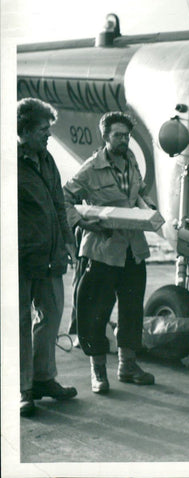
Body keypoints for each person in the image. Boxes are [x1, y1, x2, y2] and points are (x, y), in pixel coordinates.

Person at [63, 111, 156, 394]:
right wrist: (80, 221)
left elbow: (137, 192)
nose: (124, 140)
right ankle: (98, 371)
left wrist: (148, 207)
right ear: (105, 137)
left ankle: (127, 366)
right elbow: (64, 197)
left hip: (132, 248)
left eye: (127, 135)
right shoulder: (91, 167)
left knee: (131, 309)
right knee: (96, 311)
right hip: (102, 250)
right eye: (118, 135)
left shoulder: (131, 162)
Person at [17, 98, 78, 416]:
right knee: (19, 322)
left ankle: (43, 378)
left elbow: (58, 204)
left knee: (51, 316)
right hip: (19, 258)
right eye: (43, 130)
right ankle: (22, 388)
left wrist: (68, 241)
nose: (48, 135)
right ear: (23, 130)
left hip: (50, 256)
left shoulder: (47, 159)